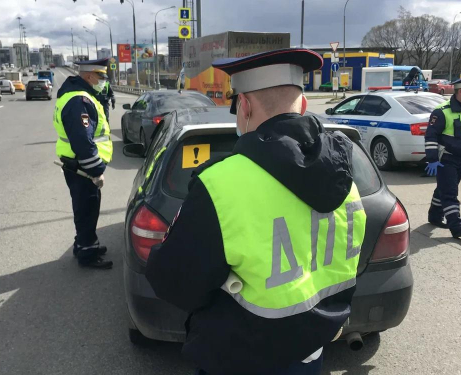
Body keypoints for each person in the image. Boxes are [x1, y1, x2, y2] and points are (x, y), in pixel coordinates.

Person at [145, 48, 367, 375]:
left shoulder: (220, 183)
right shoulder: (347, 172)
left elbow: (175, 284)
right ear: (303, 105)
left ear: (245, 106)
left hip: (242, 358)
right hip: (312, 354)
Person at [53, 58, 114, 269]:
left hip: (79, 166)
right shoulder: (79, 101)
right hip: (83, 167)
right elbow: (82, 141)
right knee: (86, 209)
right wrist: (96, 170)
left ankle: (85, 244)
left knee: (86, 207)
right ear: (89, 76)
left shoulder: (81, 96)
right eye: (101, 76)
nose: (104, 80)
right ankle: (87, 254)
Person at [425, 73, 461, 238]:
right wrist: (433, 159)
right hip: (446, 159)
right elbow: (431, 136)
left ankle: (435, 216)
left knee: (443, 189)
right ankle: (457, 226)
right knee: (450, 193)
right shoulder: (442, 112)